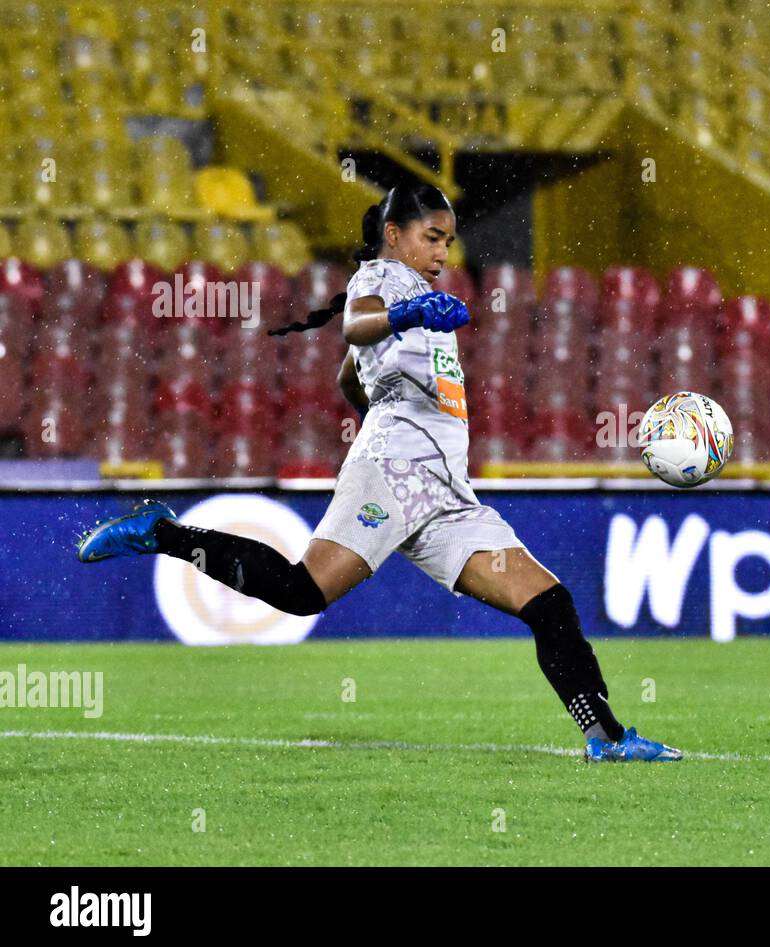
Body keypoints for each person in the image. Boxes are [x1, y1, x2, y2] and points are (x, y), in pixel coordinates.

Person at [76, 184, 680, 762]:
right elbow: (355, 326)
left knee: (548, 602)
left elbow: (350, 373)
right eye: (433, 237)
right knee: (302, 592)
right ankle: (165, 534)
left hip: (446, 493)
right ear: (394, 235)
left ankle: (606, 737)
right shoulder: (383, 278)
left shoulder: (414, 290)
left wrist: (384, 392)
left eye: (449, 240)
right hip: (392, 475)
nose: (444, 252)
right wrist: (409, 319)